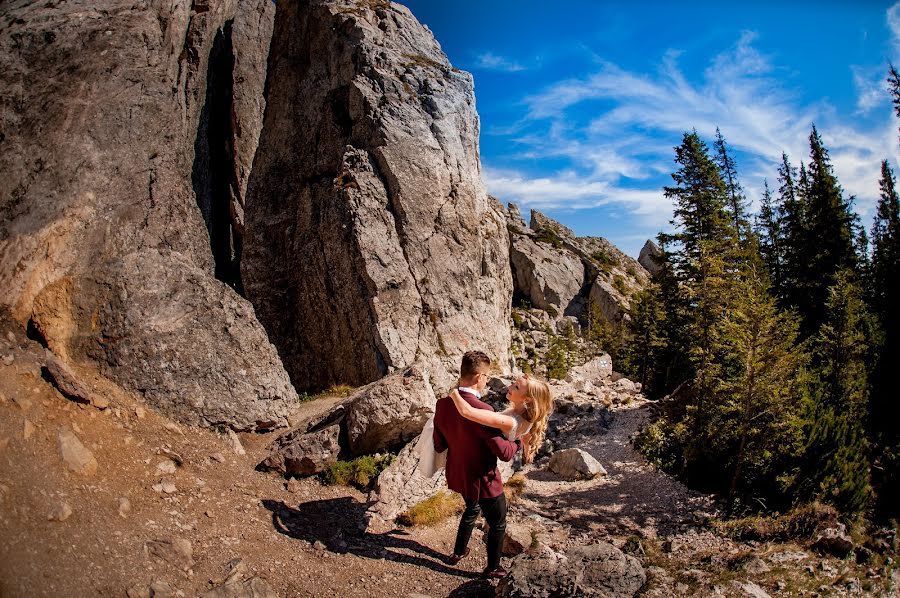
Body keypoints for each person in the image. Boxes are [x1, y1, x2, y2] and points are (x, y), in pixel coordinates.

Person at [433, 350, 520, 579]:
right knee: (498, 522)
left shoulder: (442, 404)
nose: (487, 380)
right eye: (487, 376)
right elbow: (505, 453)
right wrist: (519, 440)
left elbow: (439, 444)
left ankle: (458, 552)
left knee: (471, 508)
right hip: (484, 480)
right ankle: (492, 568)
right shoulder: (484, 411)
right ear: (480, 377)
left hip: (458, 474)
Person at [447, 374, 552, 465]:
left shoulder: (510, 421)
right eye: (513, 383)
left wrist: (454, 392)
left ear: (527, 400)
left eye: (516, 387)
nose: (509, 387)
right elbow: (527, 434)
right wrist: (527, 447)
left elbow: (467, 412)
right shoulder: (527, 415)